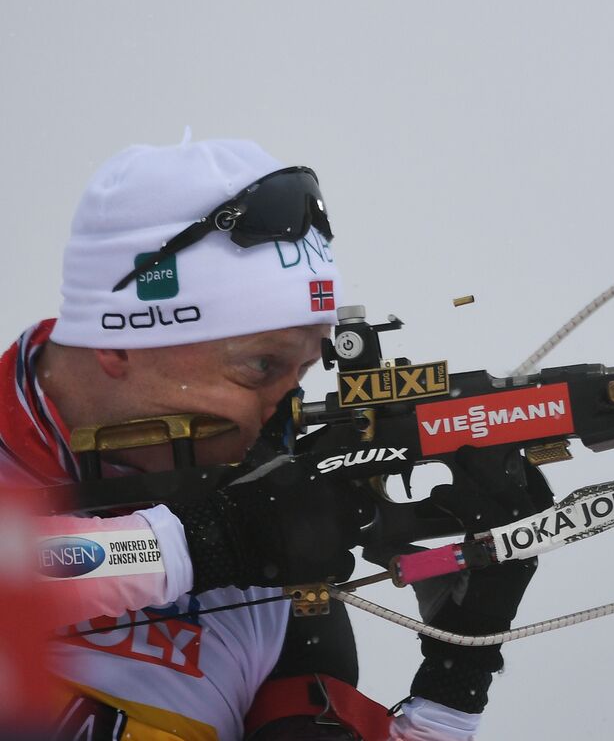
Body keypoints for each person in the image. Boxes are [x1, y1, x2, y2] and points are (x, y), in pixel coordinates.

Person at [3, 138, 544, 740]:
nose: (286, 412)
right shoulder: (245, 533)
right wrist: (197, 546)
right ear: (117, 344)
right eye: (261, 368)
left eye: (303, 374)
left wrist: (457, 674)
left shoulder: (269, 572)